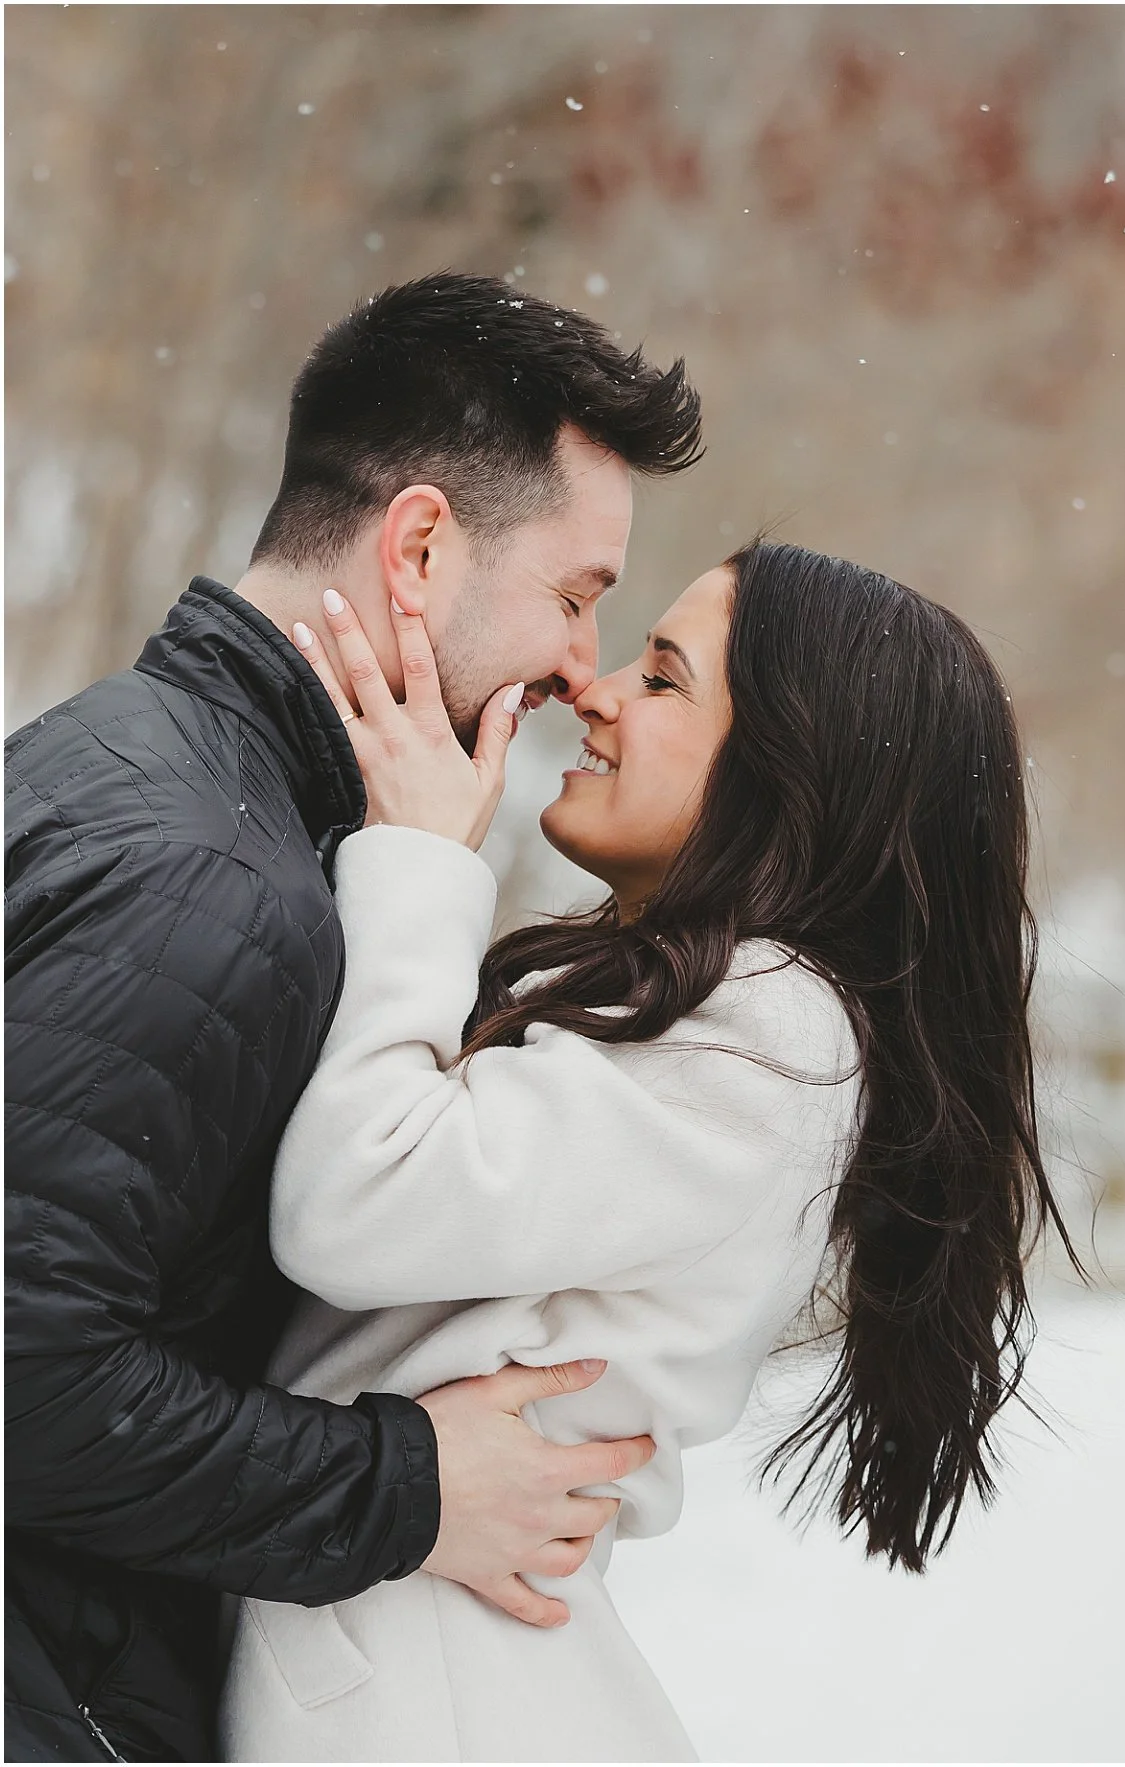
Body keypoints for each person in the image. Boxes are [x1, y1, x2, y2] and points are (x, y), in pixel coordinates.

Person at [5, 273, 703, 1762]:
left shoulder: (117, 755)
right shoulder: (220, 885)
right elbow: (20, 1368)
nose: (583, 663)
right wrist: (413, 1484)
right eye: (576, 594)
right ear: (423, 547)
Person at [220, 540, 1066, 1758]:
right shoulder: (713, 1011)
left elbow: (356, 1203)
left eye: (664, 679)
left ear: (791, 776)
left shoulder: (773, 1037)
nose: (596, 688)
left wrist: (417, 858)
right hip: (416, 1631)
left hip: (434, 1689)